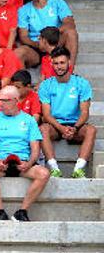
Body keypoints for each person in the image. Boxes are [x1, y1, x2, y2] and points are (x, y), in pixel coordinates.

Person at [0, 86, 48, 221]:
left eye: (4, 100)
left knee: (44, 173)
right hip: (0, 163)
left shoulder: (29, 120)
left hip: (23, 163)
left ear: (16, 101)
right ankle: (0, 211)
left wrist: (28, 164)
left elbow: (35, 149)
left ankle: (22, 211)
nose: (0, 104)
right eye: (0, 100)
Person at [38, 48, 95, 178]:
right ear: (51, 64)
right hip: (55, 125)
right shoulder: (46, 85)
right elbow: (46, 115)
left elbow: (85, 112)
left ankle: (78, 170)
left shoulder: (82, 83)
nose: (59, 67)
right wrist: (61, 128)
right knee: (43, 129)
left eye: (62, 63)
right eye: (56, 63)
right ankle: (54, 169)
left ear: (69, 62)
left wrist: (74, 128)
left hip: (75, 125)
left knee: (91, 130)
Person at [15, 0, 77, 68]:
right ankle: (22, 81)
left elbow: (69, 23)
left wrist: (50, 37)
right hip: (36, 47)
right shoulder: (23, 10)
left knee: (71, 33)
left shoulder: (58, 3)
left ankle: (69, 71)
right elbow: (23, 36)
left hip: (56, 43)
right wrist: (39, 44)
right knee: (19, 52)